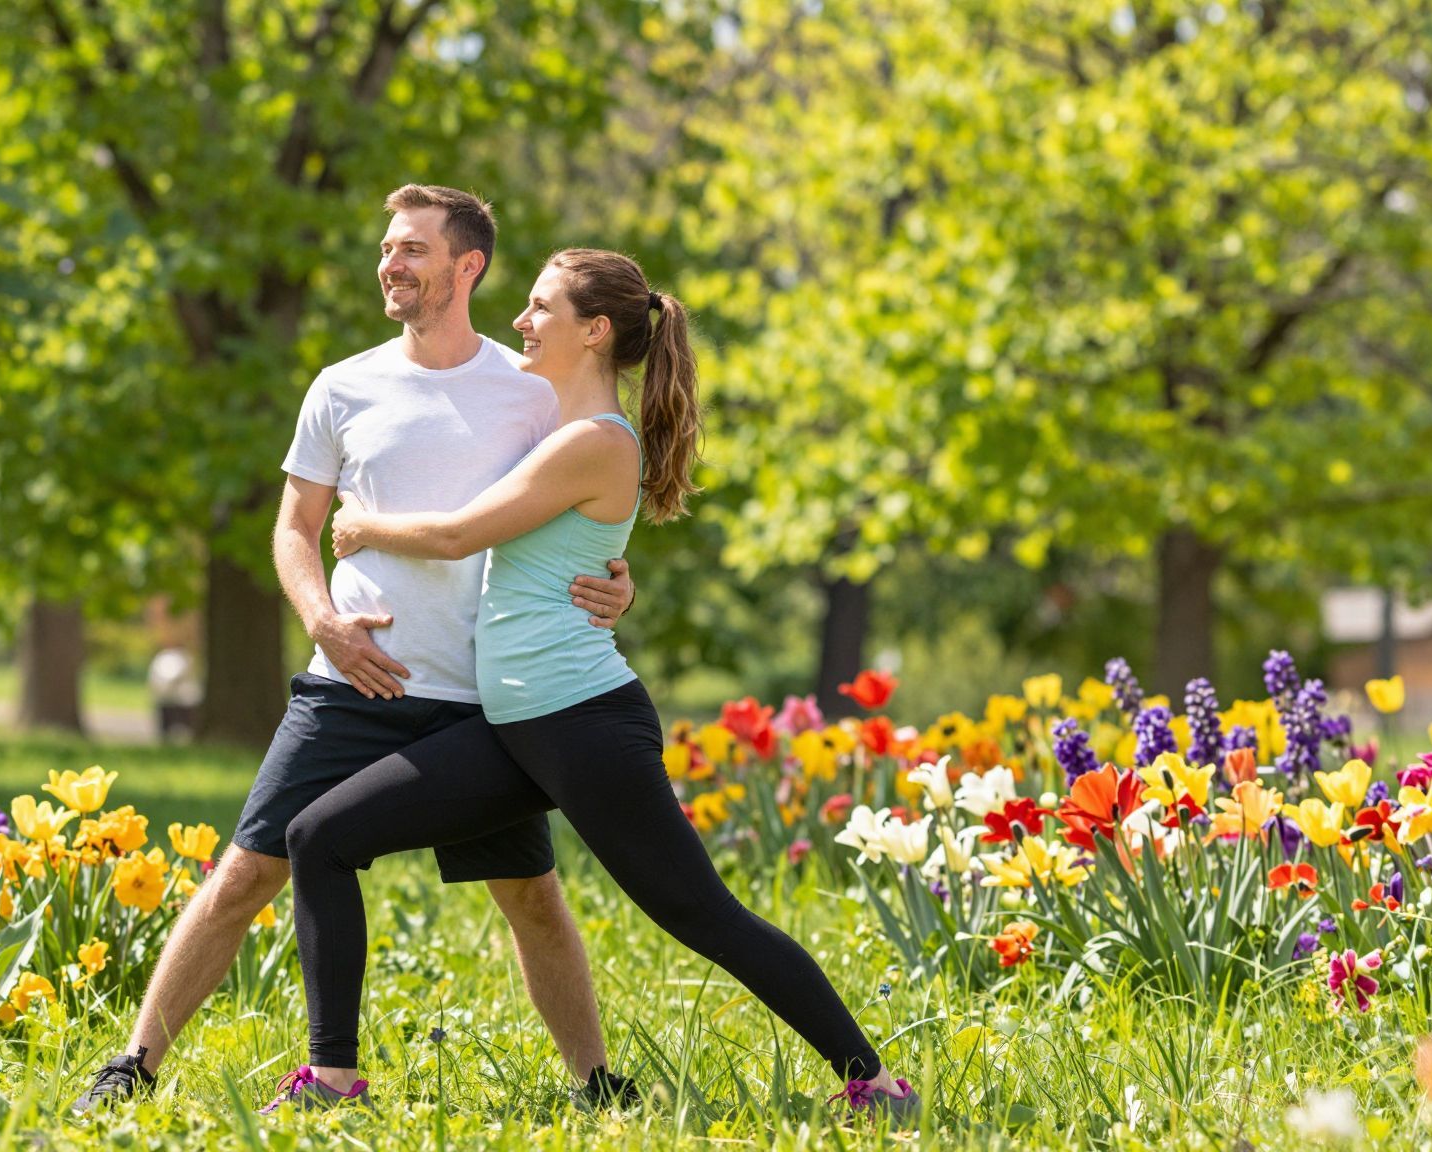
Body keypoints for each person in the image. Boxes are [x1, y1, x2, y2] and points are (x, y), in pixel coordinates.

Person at [277, 249, 921, 1123]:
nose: (521, 322)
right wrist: (616, 578)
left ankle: (874, 1083)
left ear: (596, 330)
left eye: (540, 308)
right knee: (319, 838)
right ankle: (335, 1078)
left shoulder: (591, 442)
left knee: (700, 912)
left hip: (580, 725)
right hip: (518, 729)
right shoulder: (558, 434)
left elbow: (464, 534)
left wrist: (361, 525)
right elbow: (560, 552)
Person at [74, 186, 641, 1113]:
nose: (391, 263)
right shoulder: (343, 385)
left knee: (531, 896)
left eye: (413, 248)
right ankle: (133, 1064)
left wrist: (620, 579)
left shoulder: (531, 391)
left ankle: (596, 1082)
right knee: (248, 871)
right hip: (347, 686)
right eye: (387, 247)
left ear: (469, 267)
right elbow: (296, 527)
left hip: (479, 701)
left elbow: (583, 511)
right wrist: (323, 622)